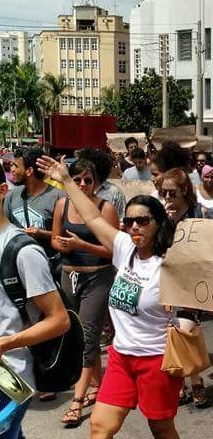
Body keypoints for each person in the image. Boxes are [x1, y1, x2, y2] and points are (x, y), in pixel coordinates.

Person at [37, 155, 183, 439]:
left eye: (143, 221)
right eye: (129, 221)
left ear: (158, 223)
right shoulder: (124, 246)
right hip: (121, 359)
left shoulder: (171, 262)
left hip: (158, 361)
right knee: (100, 426)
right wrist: (66, 180)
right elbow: (92, 217)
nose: (135, 227)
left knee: (161, 428)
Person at [0, 164, 70, 439]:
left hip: (10, 376)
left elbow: (59, 320)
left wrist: (5, 343)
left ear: (3, 191)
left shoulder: (22, 251)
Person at [51, 160, 119, 428]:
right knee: (75, 334)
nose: (81, 185)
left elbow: (115, 250)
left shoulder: (106, 208)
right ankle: (99, 386)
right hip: (69, 275)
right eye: (76, 179)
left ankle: (76, 401)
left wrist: (82, 245)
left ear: (96, 182)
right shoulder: (61, 205)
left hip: (98, 277)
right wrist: (63, 245)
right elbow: (54, 238)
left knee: (88, 336)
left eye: (87, 180)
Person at [160, 168, 208, 409]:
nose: (167, 197)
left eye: (172, 193)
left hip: (191, 283)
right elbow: (156, 244)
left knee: (186, 329)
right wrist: (163, 220)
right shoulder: (161, 215)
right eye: (164, 193)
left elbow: (202, 249)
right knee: (172, 330)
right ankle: (185, 383)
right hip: (167, 280)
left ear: (184, 191)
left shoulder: (196, 214)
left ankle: (196, 380)